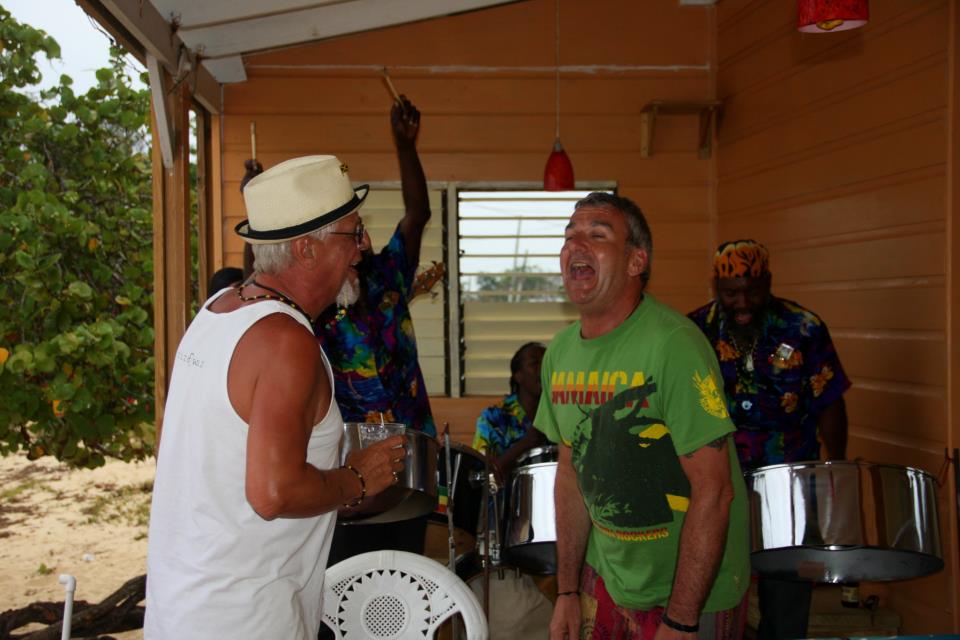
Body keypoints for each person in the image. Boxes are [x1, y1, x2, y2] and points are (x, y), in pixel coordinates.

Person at [145, 155, 407, 639]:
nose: (366, 245)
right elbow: (273, 492)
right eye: (354, 232)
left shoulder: (219, 310)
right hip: (245, 620)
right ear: (306, 249)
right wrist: (356, 479)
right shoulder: (285, 341)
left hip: (182, 610)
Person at [535, 192, 750, 640]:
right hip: (607, 581)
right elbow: (571, 476)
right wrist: (567, 591)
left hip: (689, 597)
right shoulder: (560, 353)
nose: (576, 244)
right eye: (570, 235)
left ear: (636, 261)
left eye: (597, 235)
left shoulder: (675, 346)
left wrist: (681, 619)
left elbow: (714, 491)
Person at [688, 239, 851, 640]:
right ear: (716, 287)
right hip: (719, 479)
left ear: (769, 282)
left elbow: (830, 401)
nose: (743, 302)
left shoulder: (803, 328)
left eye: (753, 290)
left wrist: (836, 467)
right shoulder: (695, 331)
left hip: (789, 481)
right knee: (714, 584)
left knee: (786, 592)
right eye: (731, 293)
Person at [316, 96, 437, 566]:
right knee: (349, 583)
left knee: (403, 580)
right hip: (348, 468)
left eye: (362, 232)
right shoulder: (318, 304)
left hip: (407, 459)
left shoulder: (389, 274)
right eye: (352, 233)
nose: (362, 241)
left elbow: (418, 213)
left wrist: (406, 146)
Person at [473, 341, 547, 476]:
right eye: (535, 363)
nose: (543, 368)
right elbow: (481, 476)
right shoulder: (492, 418)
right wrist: (525, 444)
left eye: (547, 363)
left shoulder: (560, 413)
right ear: (518, 376)